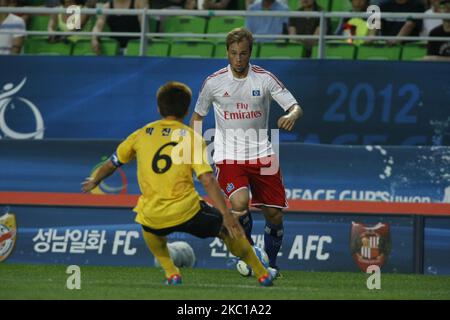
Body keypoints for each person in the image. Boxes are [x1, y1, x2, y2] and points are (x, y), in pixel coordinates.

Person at [82, 81, 276, 286]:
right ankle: (262, 273)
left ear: (159, 108)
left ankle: (171, 273)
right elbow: (207, 179)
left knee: (148, 227)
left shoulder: (140, 134)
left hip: (154, 214)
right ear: (186, 110)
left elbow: (112, 163)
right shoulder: (191, 138)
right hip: (188, 211)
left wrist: (95, 179)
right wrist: (227, 215)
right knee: (227, 231)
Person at [190, 28, 303, 275]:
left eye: (243, 53)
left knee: (274, 215)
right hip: (228, 155)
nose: (238, 59)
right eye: (233, 53)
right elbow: (198, 116)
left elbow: (295, 106)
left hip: (262, 153)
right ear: (227, 53)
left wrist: (291, 115)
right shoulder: (214, 82)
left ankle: (271, 264)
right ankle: (252, 256)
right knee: (240, 203)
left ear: (250, 52)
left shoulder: (264, 79)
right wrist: (194, 148)